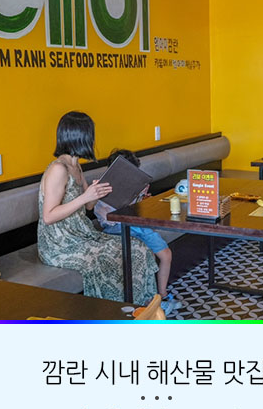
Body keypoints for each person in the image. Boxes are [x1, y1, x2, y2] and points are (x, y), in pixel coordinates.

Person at [38, 112, 158, 305]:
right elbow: (48, 216)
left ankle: (144, 306)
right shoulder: (58, 169)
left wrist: (97, 192)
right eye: (90, 134)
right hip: (60, 243)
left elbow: (89, 205)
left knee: (137, 247)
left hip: (82, 233)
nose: (92, 140)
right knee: (106, 257)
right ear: (79, 136)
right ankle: (113, 310)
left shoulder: (76, 167)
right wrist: (86, 196)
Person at [94, 149, 181, 314]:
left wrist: (142, 198)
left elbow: (140, 210)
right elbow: (104, 217)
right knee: (145, 255)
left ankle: (162, 295)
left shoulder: (134, 187)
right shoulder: (102, 188)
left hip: (139, 226)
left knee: (166, 254)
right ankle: (149, 302)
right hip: (118, 229)